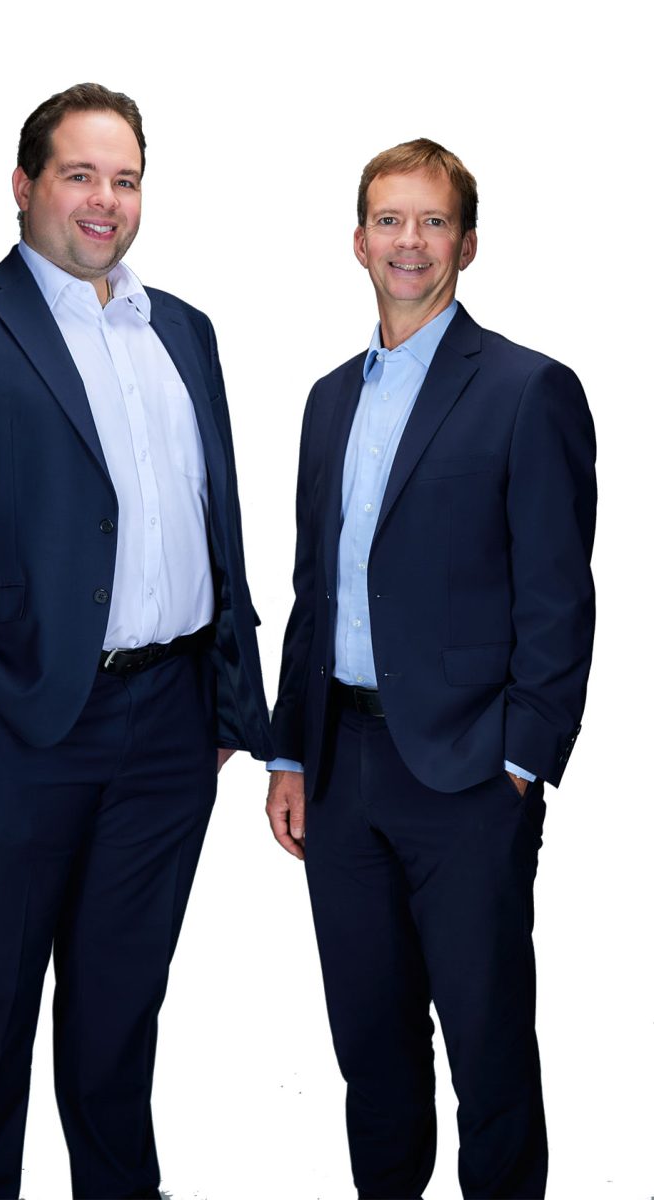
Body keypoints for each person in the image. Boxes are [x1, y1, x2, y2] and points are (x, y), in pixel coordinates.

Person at [0, 81, 272, 1200]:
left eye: (124, 179)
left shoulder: (183, 329)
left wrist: (229, 704)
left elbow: (215, 519)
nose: (104, 199)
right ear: (24, 184)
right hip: (13, 721)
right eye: (79, 174)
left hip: (171, 725)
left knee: (119, 1019)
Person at [265, 139, 596, 1199]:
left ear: (467, 242)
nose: (409, 241)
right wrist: (287, 752)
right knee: (371, 1051)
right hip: (339, 770)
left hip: (467, 777)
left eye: (432, 221)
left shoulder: (527, 390)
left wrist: (520, 765)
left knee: (488, 1050)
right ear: (357, 241)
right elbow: (314, 590)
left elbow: (557, 598)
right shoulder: (328, 400)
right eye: (389, 220)